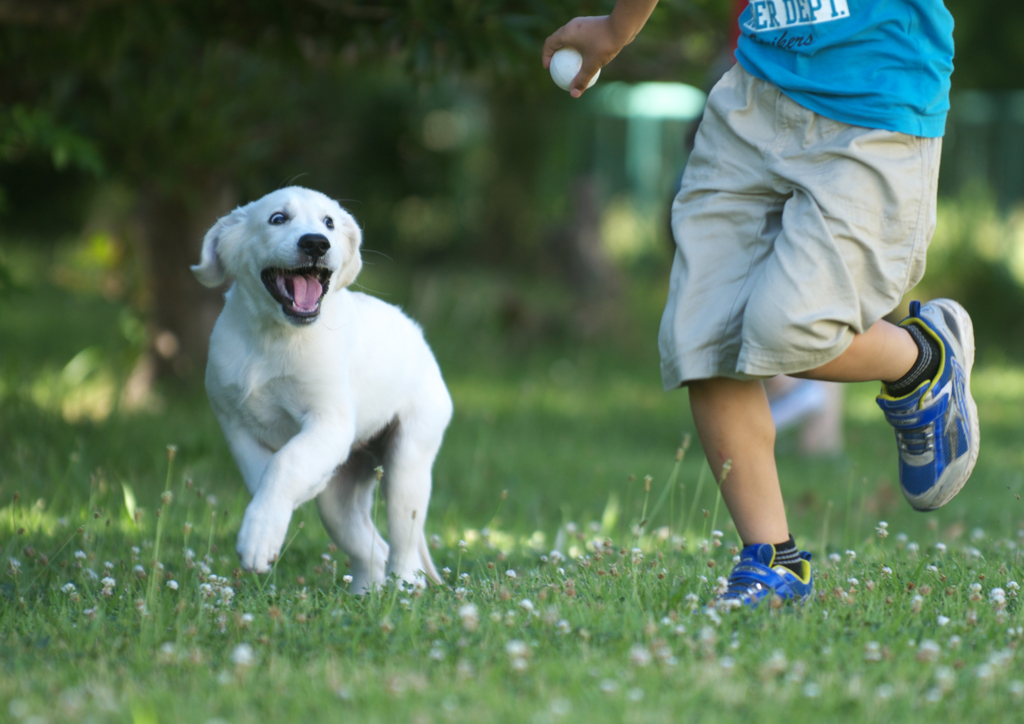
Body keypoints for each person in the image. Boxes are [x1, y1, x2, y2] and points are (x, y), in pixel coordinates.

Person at [543, 0, 979, 606]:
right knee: (702, 332)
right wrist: (617, 29)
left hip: (874, 108)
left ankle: (921, 361)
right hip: (754, 97)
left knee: (791, 330)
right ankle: (772, 559)